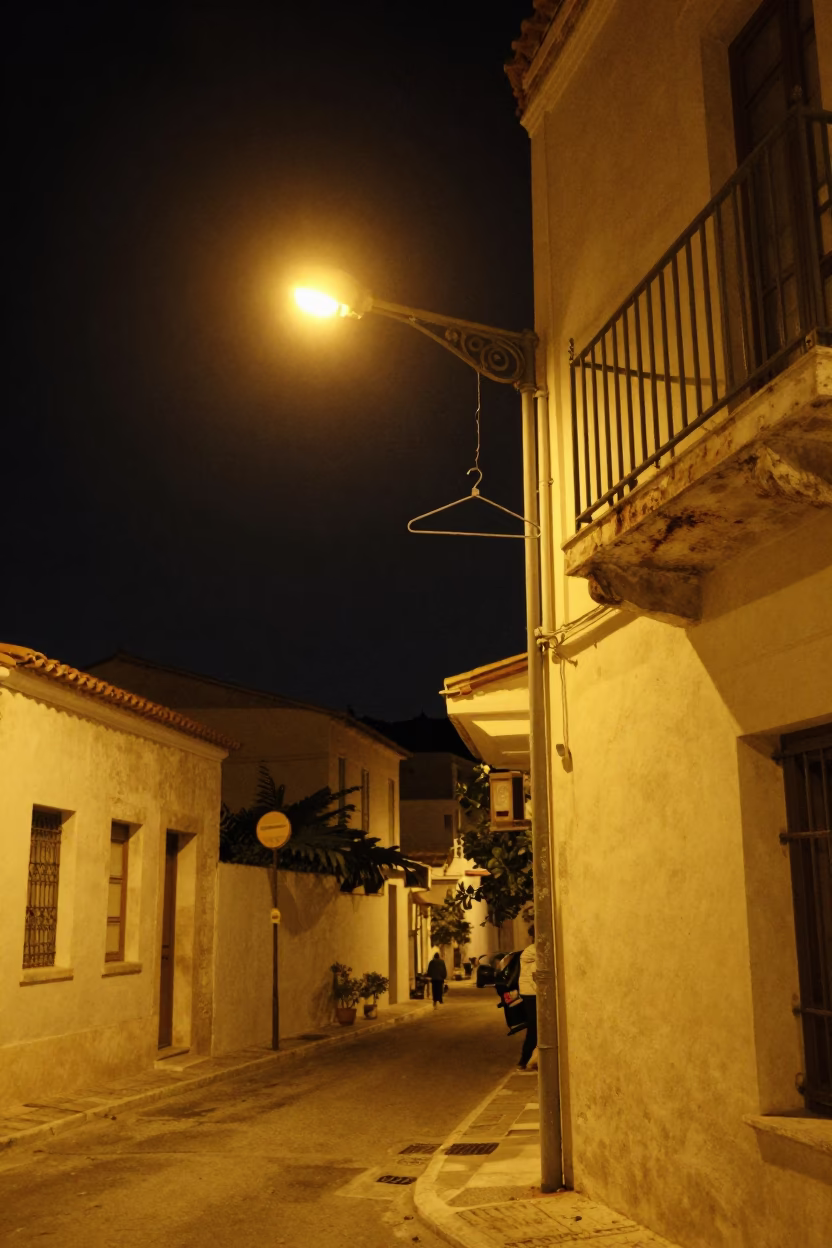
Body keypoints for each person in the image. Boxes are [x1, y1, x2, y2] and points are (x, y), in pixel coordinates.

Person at [517, 925, 538, 1070]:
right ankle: (524, 1060)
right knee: (535, 1028)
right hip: (532, 994)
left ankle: (527, 1060)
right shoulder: (534, 951)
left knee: (535, 1027)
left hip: (529, 993)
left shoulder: (531, 951)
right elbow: (533, 977)